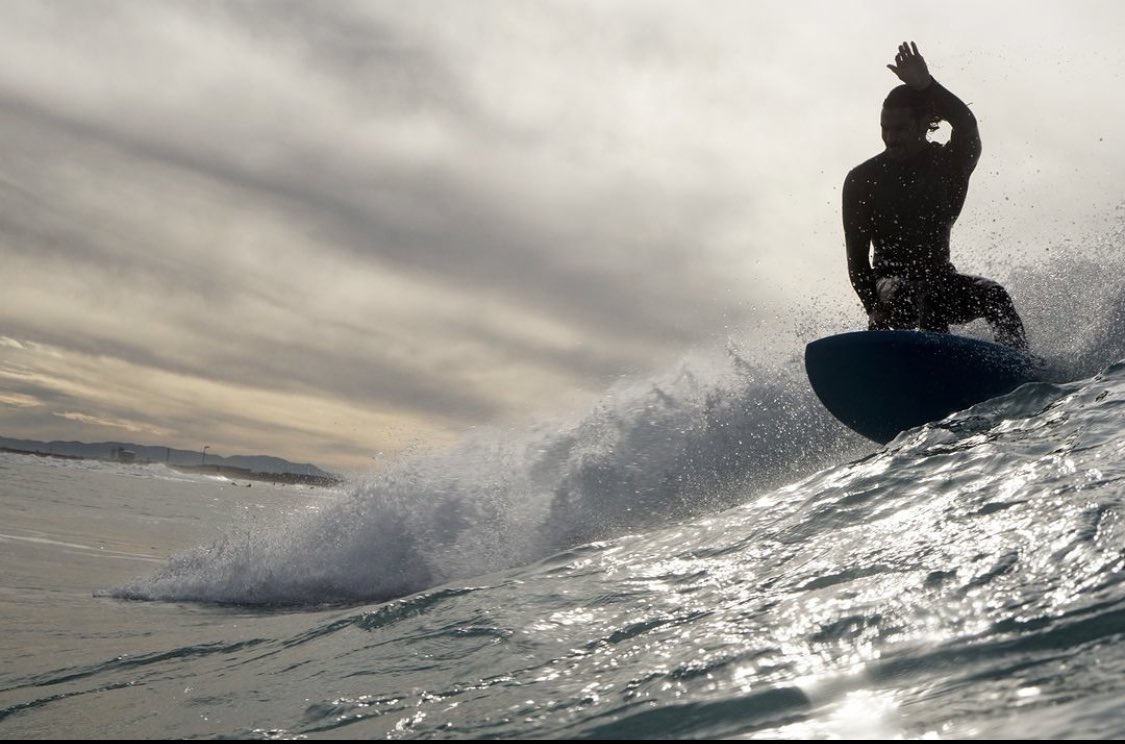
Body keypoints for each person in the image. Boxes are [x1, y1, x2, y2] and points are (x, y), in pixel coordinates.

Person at [843, 41, 1028, 351]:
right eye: (884, 128)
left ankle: (1017, 365)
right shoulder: (863, 179)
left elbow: (966, 125)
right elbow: (858, 259)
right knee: (921, 292)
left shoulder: (948, 166)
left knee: (994, 296)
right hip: (889, 286)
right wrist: (873, 306)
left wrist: (927, 86)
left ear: (923, 124)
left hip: (940, 280)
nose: (890, 137)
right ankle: (926, 369)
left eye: (900, 128)